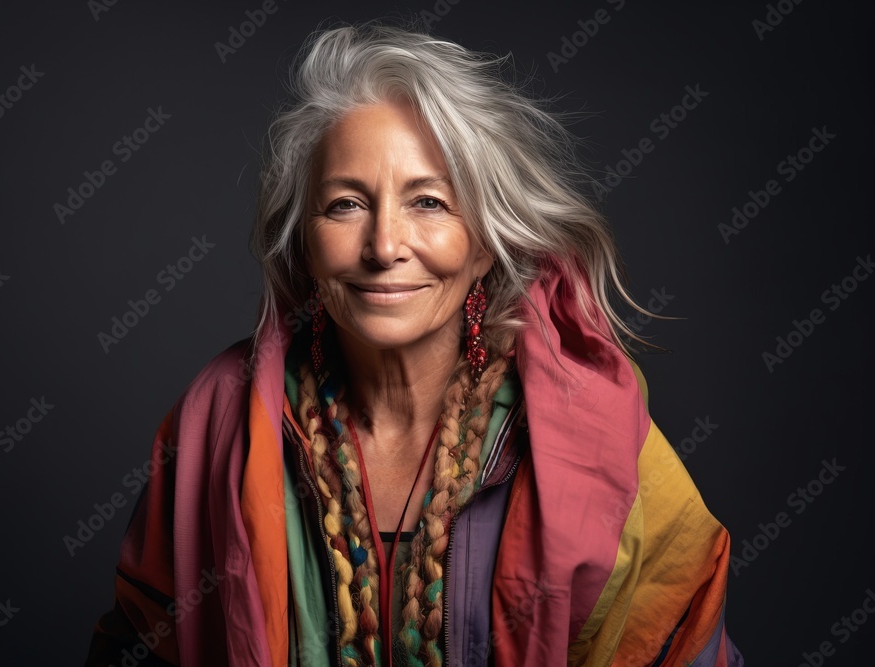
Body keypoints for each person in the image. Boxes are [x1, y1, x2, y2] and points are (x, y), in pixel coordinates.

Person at [85, 21, 743, 667]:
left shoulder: (594, 432)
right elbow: (143, 643)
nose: (384, 246)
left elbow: (681, 647)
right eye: (346, 204)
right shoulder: (218, 421)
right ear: (303, 241)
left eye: (428, 202)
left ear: (485, 241)